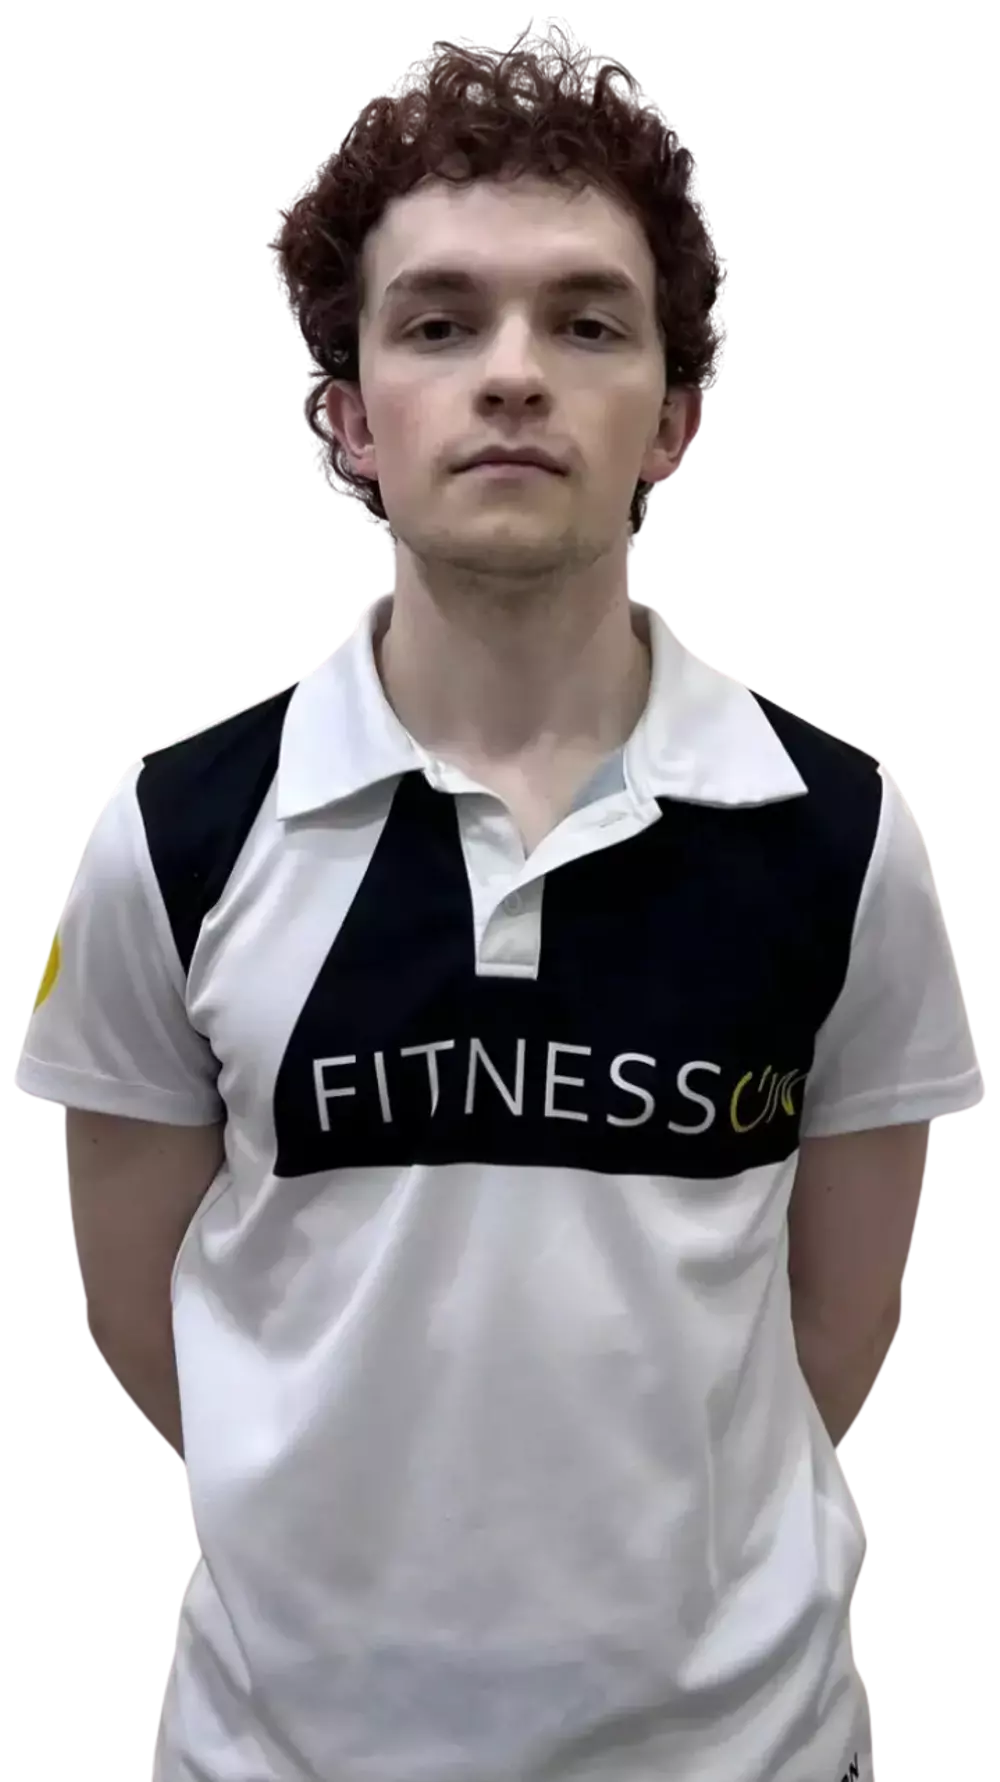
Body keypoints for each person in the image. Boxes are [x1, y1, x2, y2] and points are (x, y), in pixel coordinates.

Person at [15, 22, 984, 1782]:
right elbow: (142, 1317)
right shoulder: (173, 827)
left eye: (587, 323)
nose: (515, 375)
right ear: (350, 414)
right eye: (441, 323)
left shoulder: (843, 830)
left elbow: (835, 1339)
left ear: (674, 420)